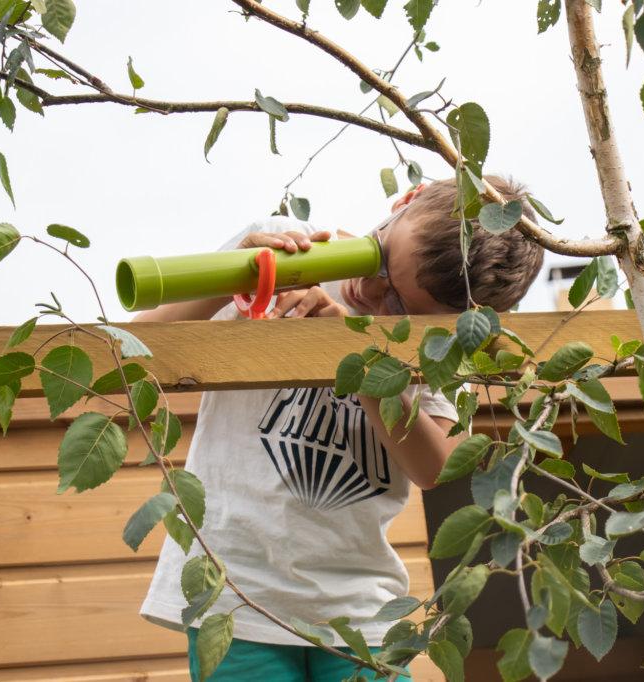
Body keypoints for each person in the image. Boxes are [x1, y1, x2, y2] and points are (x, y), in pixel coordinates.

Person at [137, 177, 544, 681]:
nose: (371, 292)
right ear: (406, 200)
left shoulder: (443, 338)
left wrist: (356, 362)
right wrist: (234, 275)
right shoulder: (286, 251)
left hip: (361, 606)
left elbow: (434, 465)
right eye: (380, 263)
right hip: (236, 592)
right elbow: (137, 349)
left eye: (399, 307)